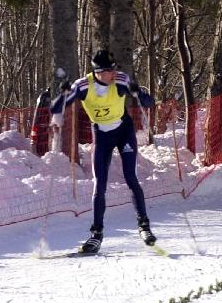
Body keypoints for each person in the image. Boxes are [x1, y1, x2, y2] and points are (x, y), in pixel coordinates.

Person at [51, 49, 157, 253]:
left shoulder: (120, 80)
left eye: (114, 69)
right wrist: (61, 98)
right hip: (101, 135)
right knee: (99, 184)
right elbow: (58, 107)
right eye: (109, 71)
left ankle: (144, 226)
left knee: (130, 177)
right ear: (98, 72)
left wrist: (138, 92)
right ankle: (96, 235)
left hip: (123, 131)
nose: (113, 73)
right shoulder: (83, 85)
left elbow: (149, 102)